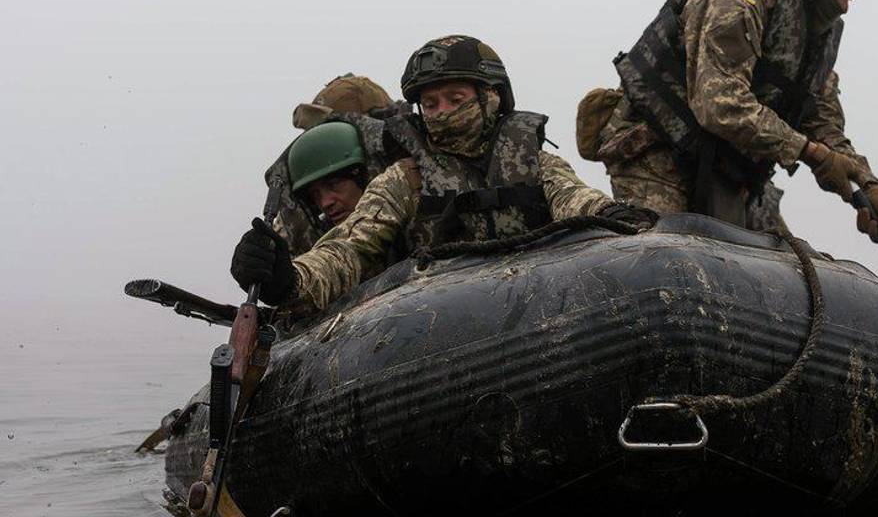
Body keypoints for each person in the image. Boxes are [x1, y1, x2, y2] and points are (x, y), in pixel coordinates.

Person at [231, 35, 655, 312]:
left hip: (539, 306)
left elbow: (576, 201)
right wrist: (290, 279)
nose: (443, 113)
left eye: (455, 98)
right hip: (442, 322)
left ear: (490, 98)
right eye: (430, 105)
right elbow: (348, 248)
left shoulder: (534, 163)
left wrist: (616, 220)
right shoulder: (405, 178)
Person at [578, 0, 878, 241]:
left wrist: (866, 184)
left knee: (788, 272)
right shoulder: (739, 0)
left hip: (733, 173)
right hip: (658, 153)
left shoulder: (818, 41)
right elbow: (720, 106)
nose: (843, 7)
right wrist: (811, 153)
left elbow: (823, 124)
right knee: (665, 258)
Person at [269, 74, 413, 255]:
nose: (326, 202)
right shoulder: (300, 222)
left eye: (334, 183)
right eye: (315, 193)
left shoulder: (422, 185)